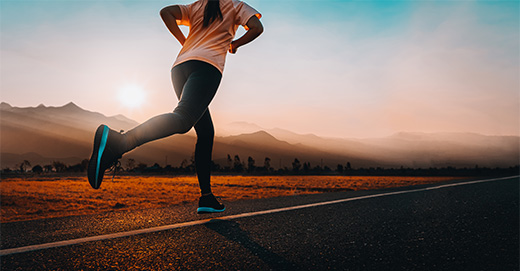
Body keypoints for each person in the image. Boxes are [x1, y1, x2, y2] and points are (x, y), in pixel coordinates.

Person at [87, 0, 263, 214]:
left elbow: (166, 12)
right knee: (183, 119)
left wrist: (185, 41)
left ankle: (207, 197)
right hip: (207, 67)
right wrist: (234, 44)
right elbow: (256, 28)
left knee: (206, 132)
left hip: (180, 67)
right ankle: (119, 141)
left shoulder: (198, 5)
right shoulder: (236, 6)